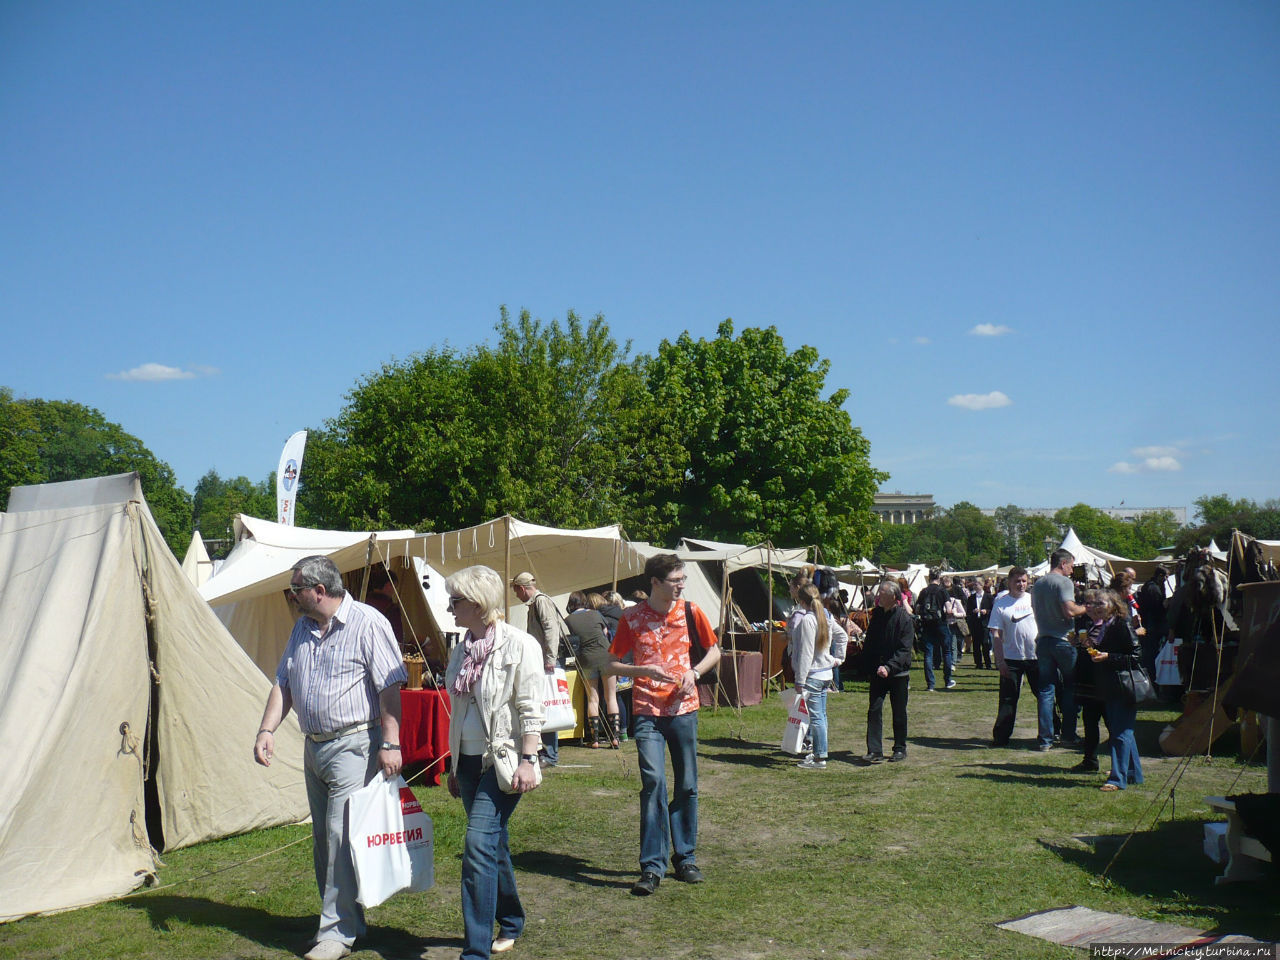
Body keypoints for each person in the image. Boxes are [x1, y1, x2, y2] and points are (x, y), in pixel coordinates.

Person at [254, 556, 407, 960]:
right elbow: (282, 683)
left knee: (340, 838)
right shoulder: (301, 628)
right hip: (314, 746)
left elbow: (390, 688)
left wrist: (390, 744)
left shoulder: (369, 623)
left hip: (355, 744)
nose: (292, 595)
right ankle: (348, 922)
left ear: (319, 591)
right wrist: (266, 730)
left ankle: (336, 933)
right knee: (325, 840)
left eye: (296, 589)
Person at [444, 565, 545, 959]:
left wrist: (529, 759)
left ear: (478, 603)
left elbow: (530, 708)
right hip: (467, 763)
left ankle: (474, 951)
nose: (450, 607)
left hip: (503, 763)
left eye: (456, 601)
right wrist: (453, 766)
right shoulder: (462, 647)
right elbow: (459, 710)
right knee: (492, 843)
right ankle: (513, 919)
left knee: (477, 847)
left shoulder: (519, 645)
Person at [606, 553, 721, 896]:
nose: (681, 585)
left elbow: (715, 651)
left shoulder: (691, 611)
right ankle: (652, 866)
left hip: (684, 709)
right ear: (654, 582)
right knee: (654, 782)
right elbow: (610, 665)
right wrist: (642, 671)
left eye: (683, 579)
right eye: (675, 580)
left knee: (687, 783)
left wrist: (694, 672)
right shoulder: (631, 618)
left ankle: (685, 857)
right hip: (646, 712)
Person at [1084, 589, 1145, 792]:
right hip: (1110, 684)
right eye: (1095, 604)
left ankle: (1117, 778)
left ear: (1113, 605)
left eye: (1101, 603)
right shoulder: (1106, 626)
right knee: (1124, 730)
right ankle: (1133, 773)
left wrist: (1108, 656)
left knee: (1120, 732)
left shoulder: (1122, 624)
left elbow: (1135, 656)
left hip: (1124, 685)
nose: (1096, 607)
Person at [1030, 549, 1088, 751]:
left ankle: (1045, 739)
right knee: (1070, 688)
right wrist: (1087, 607)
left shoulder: (1038, 584)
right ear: (1063, 563)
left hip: (1043, 640)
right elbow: (1070, 610)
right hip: (1063, 640)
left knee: (1046, 690)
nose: (1072, 570)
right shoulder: (1064, 582)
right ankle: (1068, 735)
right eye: (1071, 565)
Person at [510, 571, 568, 768]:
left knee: (548, 705)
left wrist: (550, 658)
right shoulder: (535, 603)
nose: (517, 595)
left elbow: (551, 629)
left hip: (547, 661)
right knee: (542, 704)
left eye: (517, 590)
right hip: (543, 660)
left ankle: (551, 754)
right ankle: (547, 750)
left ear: (522, 588)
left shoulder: (541, 602)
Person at [790, 582, 849, 770]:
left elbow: (806, 652)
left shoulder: (808, 619)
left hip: (813, 674)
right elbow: (843, 637)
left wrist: (800, 679)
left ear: (801, 600)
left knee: (816, 718)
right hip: (825, 673)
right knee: (821, 716)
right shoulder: (826, 615)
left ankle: (819, 757)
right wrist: (837, 658)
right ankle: (818, 752)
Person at [861, 580, 914, 763]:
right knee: (874, 710)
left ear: (893, 596)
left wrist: (889, 667)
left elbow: (904, 649)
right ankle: (874, 750)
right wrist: (868, 665)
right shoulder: (877, 616)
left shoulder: (904, 618)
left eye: (882, 593)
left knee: (899, 711)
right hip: (878, 672)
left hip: (898, 673)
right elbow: (870, 643)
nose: (878, 596)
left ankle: (900, 748)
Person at [987, 567, 1041, 747]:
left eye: (1024, 581)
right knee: (1008, 699)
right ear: (1009, 582)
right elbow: (996, 634)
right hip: (1011, 659)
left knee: (1043, 696)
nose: (1021, 584)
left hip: (1035, 657)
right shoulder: (1001, 604)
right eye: (1017, 581)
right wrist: (999, 661)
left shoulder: (1034, 600)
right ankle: (1001, 736)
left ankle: (1051, 731)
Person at [566, 591, 621, 748]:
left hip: (586, 658)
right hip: (606, 656)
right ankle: (615, 737)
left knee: (593, 698)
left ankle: (594, 739)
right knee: (611, 697)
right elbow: (605, 633)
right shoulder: (596, 614)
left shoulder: (568, 620)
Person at [915, 568, 953, 691]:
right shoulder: (942, 591)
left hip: (927, 624)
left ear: (929, 577)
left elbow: (917, 608)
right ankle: (947, 681)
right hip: (940, 623)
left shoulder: (924, 591)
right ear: (939, 577)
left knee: (928, 654)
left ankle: (930, 684)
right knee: (946, 652)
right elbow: (949, 609)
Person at [1135, 566, 1170, 676]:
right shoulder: (1152, 588)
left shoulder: (1150, 586)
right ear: (1160, 576)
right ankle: (1151, 675)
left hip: (1150, 623)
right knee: (1151, 652)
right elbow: (1156, 608)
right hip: (1152, 624)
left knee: (1150, 652)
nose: (1167, 579)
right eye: (1166, 576)